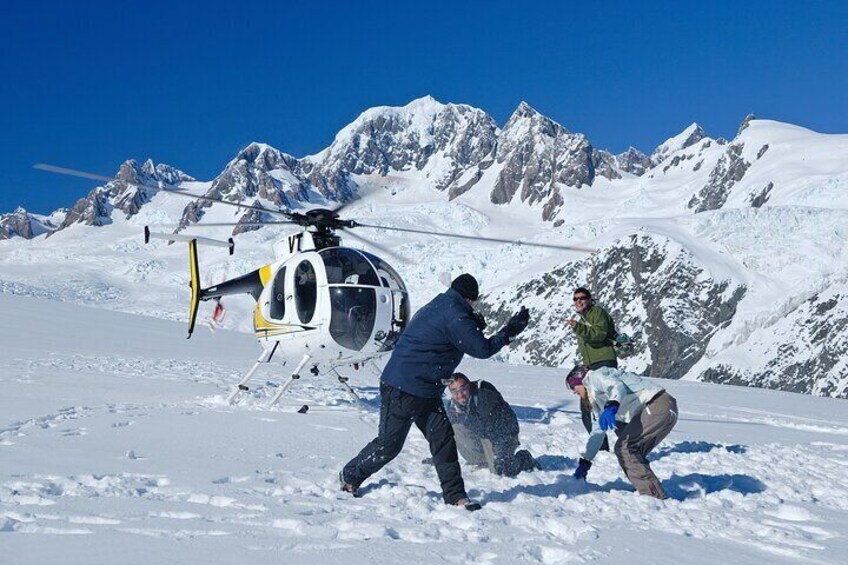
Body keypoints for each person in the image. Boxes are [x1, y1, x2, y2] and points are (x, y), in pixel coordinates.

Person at [340, 274, 530, 511]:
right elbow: (482, 349)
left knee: (443, 441)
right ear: (470, 298)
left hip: (427, 390)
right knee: (389, 445)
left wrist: (470, 322)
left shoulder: (443, 305)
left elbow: (447, 336)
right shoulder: (455, 314)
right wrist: (509, 331)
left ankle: (455, 496)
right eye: (474, 302)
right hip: (403, 387)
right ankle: (350, 476)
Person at [566, 365, 678, 499]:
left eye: (572, 386)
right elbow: (598, 432)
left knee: (625, 448)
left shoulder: (594, 377)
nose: (573, 391)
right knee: (633, 451)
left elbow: (616, 386)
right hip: (664, 408)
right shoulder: (596, 399)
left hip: (656, 404)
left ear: (580, 380)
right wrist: (586, 461)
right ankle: (648, 489)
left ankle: (653, 496)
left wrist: (612, 406)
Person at [445, 373, 539, 477]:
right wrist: (442, 458)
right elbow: (447, 434)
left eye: (463, 389)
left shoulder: (484, 396)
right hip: (482, 437)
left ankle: (524, 458)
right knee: (455, 428)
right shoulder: (453, 406)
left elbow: (502, 428)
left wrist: (499, 457)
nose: (460, 395)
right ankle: (484, 459)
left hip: (503, 436)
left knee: (501, 470)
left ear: (469, 386)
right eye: (455, 392)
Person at [567, 287, 619, 452]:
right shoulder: (584, 319)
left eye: (582, 298)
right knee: (589, 407)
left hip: (604, 364)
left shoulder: (597, 313)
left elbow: (599, 334)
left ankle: (607, 448)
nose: (578, 301)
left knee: (599, 406)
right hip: (593, 366)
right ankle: (601, 448)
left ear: (589, 299)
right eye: (575, 299)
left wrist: (579, 328)